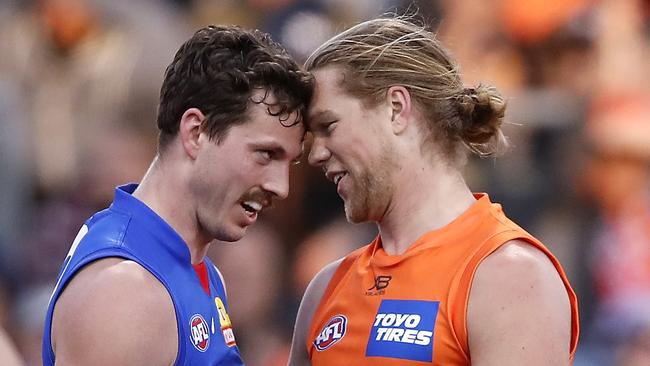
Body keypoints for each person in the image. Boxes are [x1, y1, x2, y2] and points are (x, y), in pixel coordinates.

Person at [289, 17, 579, 365]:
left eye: (328, 126)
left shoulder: (509, 277)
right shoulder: (325, 288)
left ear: (396, 109)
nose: (316, 153)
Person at [42, 25, 313, 365]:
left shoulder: (195, 268)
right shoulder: (125, 292)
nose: (281, 186)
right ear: (196, 132)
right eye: (265, 154)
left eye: (288, 162)